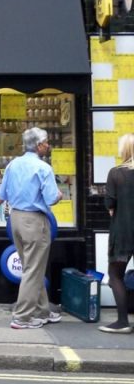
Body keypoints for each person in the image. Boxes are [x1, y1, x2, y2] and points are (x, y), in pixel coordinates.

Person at [0, 127, 62, 330]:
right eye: (46, 142)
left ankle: (42, 310)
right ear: (38, 145)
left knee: (31, 267)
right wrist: (60, 195)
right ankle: (22, 316)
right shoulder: (43, 168)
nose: (48, 145)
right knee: (33, 270)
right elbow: (52, 198)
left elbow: (1, 193)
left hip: (15, 219)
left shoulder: (13, 164)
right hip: (34, 221)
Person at [99, 133, 134, 334]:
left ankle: (122, 322)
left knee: (115, 275)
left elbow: (110, 205)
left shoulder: (116, 173)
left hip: (123, 232)